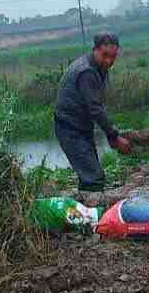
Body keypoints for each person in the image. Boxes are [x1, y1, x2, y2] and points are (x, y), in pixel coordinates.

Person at [54, 32, 132, 193]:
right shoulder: (87, 72)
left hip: (82, 127)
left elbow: (97, 106)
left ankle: (86, 205)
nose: (109, 61)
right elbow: (95, 109)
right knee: (94, 177)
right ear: (95, 50)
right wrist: (114, 136)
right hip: (70, 128)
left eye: (113, 57)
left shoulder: (99, 67)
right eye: (105, 55)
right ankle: (93, 206)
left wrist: (111, 134)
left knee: (89, 175)